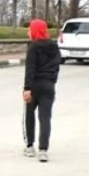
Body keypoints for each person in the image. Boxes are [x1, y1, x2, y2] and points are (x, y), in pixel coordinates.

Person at [23, 18, 62, 162]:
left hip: (34, 85)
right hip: (48, 86)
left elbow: (30, 69)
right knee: (45, 118)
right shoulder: (54, 47)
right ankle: (43, 150)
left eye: (29, 29)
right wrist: (52, 81)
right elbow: (57, 67)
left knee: (29, 115)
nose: (28, 32)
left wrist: (27, 88)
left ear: (34, 30)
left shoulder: (33, 47)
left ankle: (29, 146)